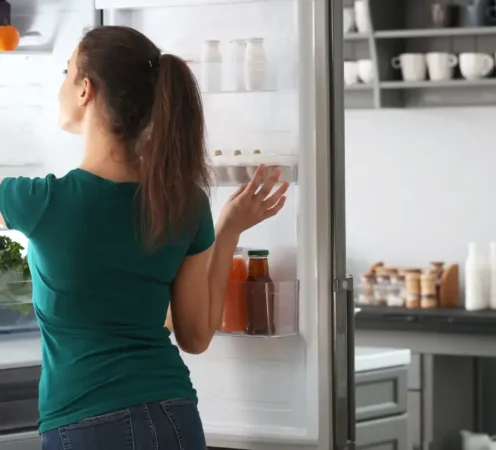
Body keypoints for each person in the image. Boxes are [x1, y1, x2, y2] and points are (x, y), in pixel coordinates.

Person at [0, 26, 289, 450]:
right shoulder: (184, 202)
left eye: (66, 71)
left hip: (87, 426)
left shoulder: (41, 201)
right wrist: (227, 229)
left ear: (85, 90)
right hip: (175, 416)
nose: (59, 84)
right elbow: (195, 336)